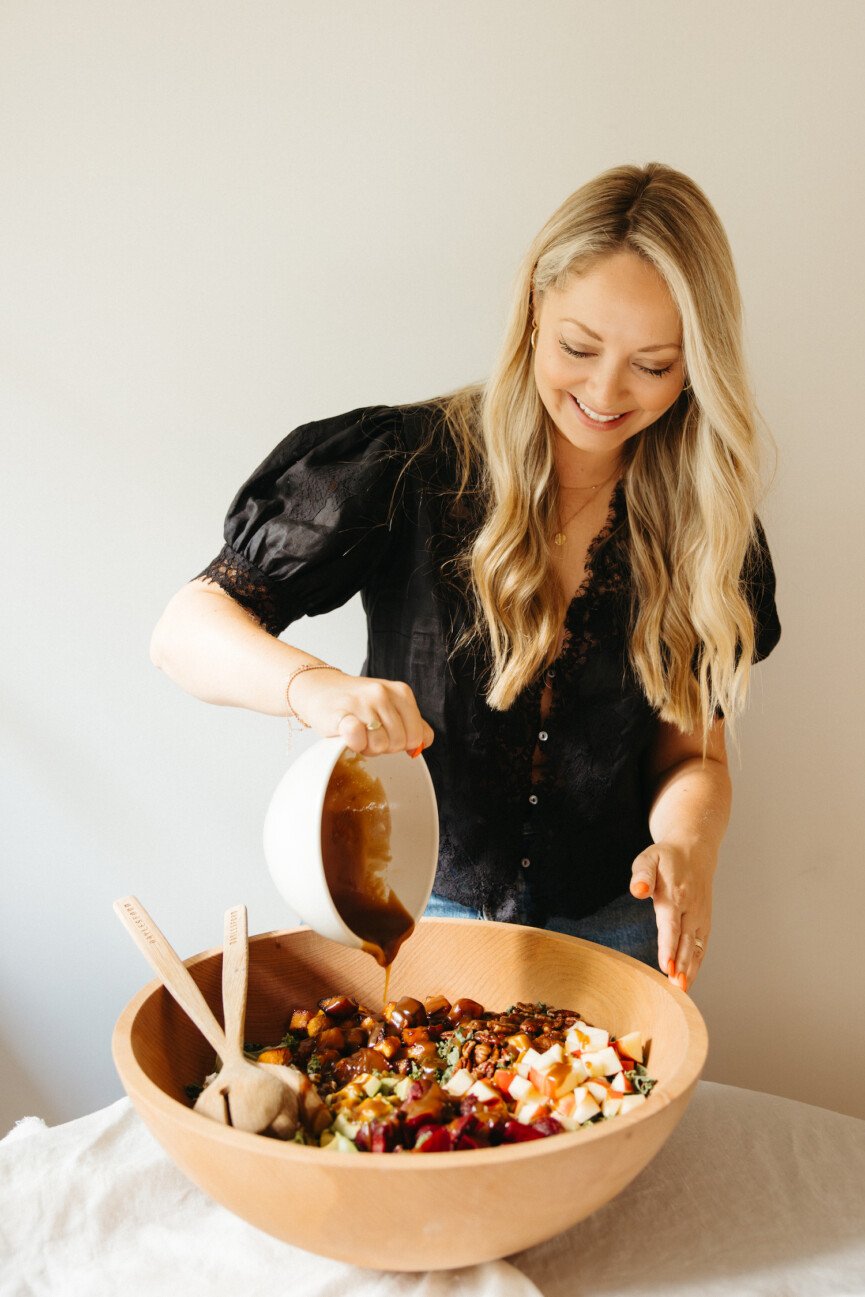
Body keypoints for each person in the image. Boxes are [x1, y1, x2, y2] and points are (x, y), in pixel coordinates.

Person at [150, 162, 780, 992]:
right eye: (578, 347)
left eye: (652, 365)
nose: (603, 390)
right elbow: (186, 630)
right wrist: (315, 689)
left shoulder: (710, 529)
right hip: (411, 915)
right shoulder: (403, 463)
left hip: (615, 931)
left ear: (697, 364)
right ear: (530, 313)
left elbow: (690, 756)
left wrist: (686, 845)